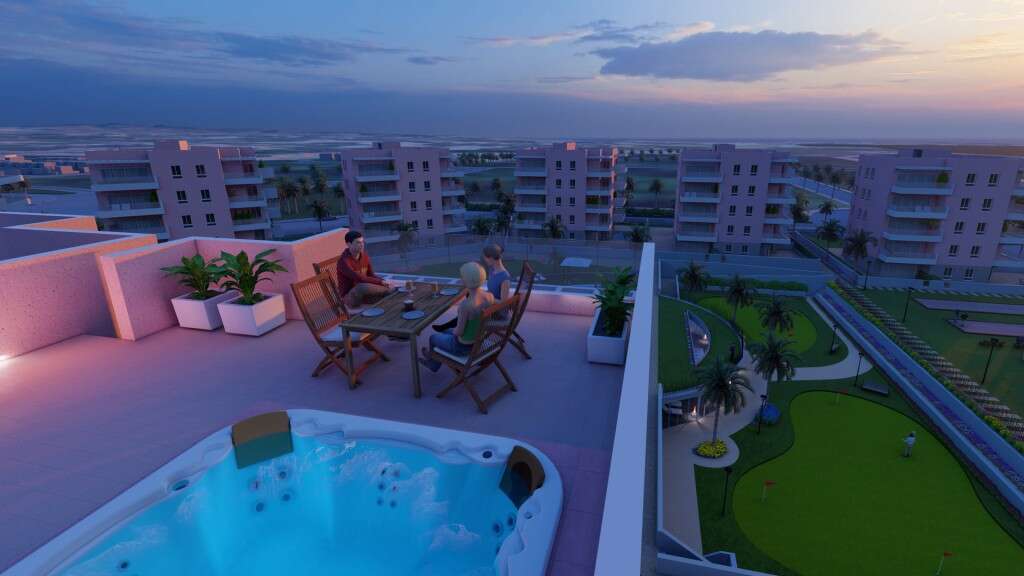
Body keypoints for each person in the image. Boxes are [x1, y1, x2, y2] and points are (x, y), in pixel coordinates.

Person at [420, 262, 494, 372]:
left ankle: (433, 364)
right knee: (446, 331)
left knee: (433, 338)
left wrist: (454, 330)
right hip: (479, 340)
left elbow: (458, 332)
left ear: (466, 281)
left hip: (463, 347)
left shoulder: (465, 306)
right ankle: (432, 355)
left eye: (462, 277)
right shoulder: (489, 296)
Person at [433, 243, 511, 332]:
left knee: (469, 307)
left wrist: (486, 297)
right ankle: (455, 326)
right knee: (469, 297)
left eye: (485, 257)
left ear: (491, 258)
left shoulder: (505, 278)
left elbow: (503, 304)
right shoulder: (492, 270)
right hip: (488, 303)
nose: (484, 260)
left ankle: (455, 329)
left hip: (496, 312)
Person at [336, 230, 391, 308]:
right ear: (349, 244)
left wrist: (384, 281)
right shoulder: (343, 261)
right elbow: (360, 278)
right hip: (350, 297)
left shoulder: (364, 256)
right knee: (361, 287)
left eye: (362, 242)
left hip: (364, 294)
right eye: (358, 242)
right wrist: (381, 282)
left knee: (385, 299)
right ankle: (388, 290)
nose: (362, 245)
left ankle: (389, 292)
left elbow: (371, 275)